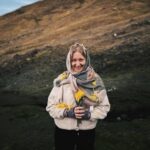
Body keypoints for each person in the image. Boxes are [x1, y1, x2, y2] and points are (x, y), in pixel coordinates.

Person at [46, 43, 110, 150]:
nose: (77, 64)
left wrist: (89, 115)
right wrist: (66, 113)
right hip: (63, 132)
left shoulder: (95, 81)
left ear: (87, 60)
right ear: (69, 62)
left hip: (87, 133)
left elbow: (104, 107)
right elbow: (50, 107)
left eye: (81, 59)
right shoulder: (61, 81)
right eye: (73, 60)